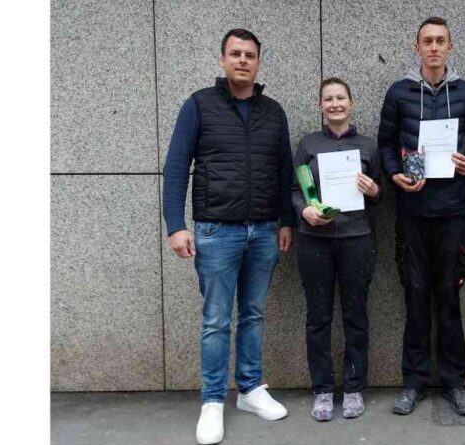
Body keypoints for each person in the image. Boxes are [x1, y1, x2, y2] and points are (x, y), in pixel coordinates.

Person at [162, 28, 295, 445]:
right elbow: (176, 165)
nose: (242, 60)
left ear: (258, 62)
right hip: (216, 230)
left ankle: (251, 389)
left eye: (250, 54)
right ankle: (214, 401)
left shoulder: (273, 112)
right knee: (217, 319)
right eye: (235, 53)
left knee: (253, 314)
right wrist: (175, 224)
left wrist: (286, 221)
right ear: (222, 59)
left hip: (263, 231)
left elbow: (284, 172)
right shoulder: (200, 105)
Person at [377, 16, 465, 416]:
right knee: (415, 297)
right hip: (411, 213)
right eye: (428, 41)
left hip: (454, 212)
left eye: (441, 40)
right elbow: (386, 144)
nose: (435, 47)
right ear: (417, 47)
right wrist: (394, 174)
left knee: (450, 298)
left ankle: (455, 383)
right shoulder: (399, 93)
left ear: (450, 47)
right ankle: (414, 382)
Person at [292, 77, 382, 422]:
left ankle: (355, 387)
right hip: (314, 240)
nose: (335, 104)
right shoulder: (308, 144)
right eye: (328, 99)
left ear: (351, 102)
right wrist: (303, 210)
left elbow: (383, 195)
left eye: (340, 98)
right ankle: (323, 390)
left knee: (355, 315)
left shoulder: (368, 146)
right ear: (321, 105)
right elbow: (295, 189)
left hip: (356, 239)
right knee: (318, 317)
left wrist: (374, 190)